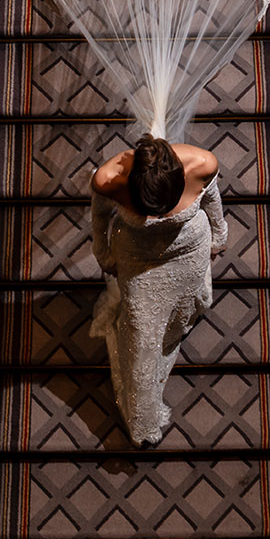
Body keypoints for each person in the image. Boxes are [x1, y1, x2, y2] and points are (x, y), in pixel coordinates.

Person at [90, 134, 227, 447]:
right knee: (141, 334)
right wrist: (105, 257)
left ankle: (179, 322)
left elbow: (212, 203)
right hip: (138, 260)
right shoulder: (108, 179)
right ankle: (143, 418)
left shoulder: (203, 163)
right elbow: (99, 222)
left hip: (188, 250)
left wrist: (218, 239)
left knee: (183, 307)